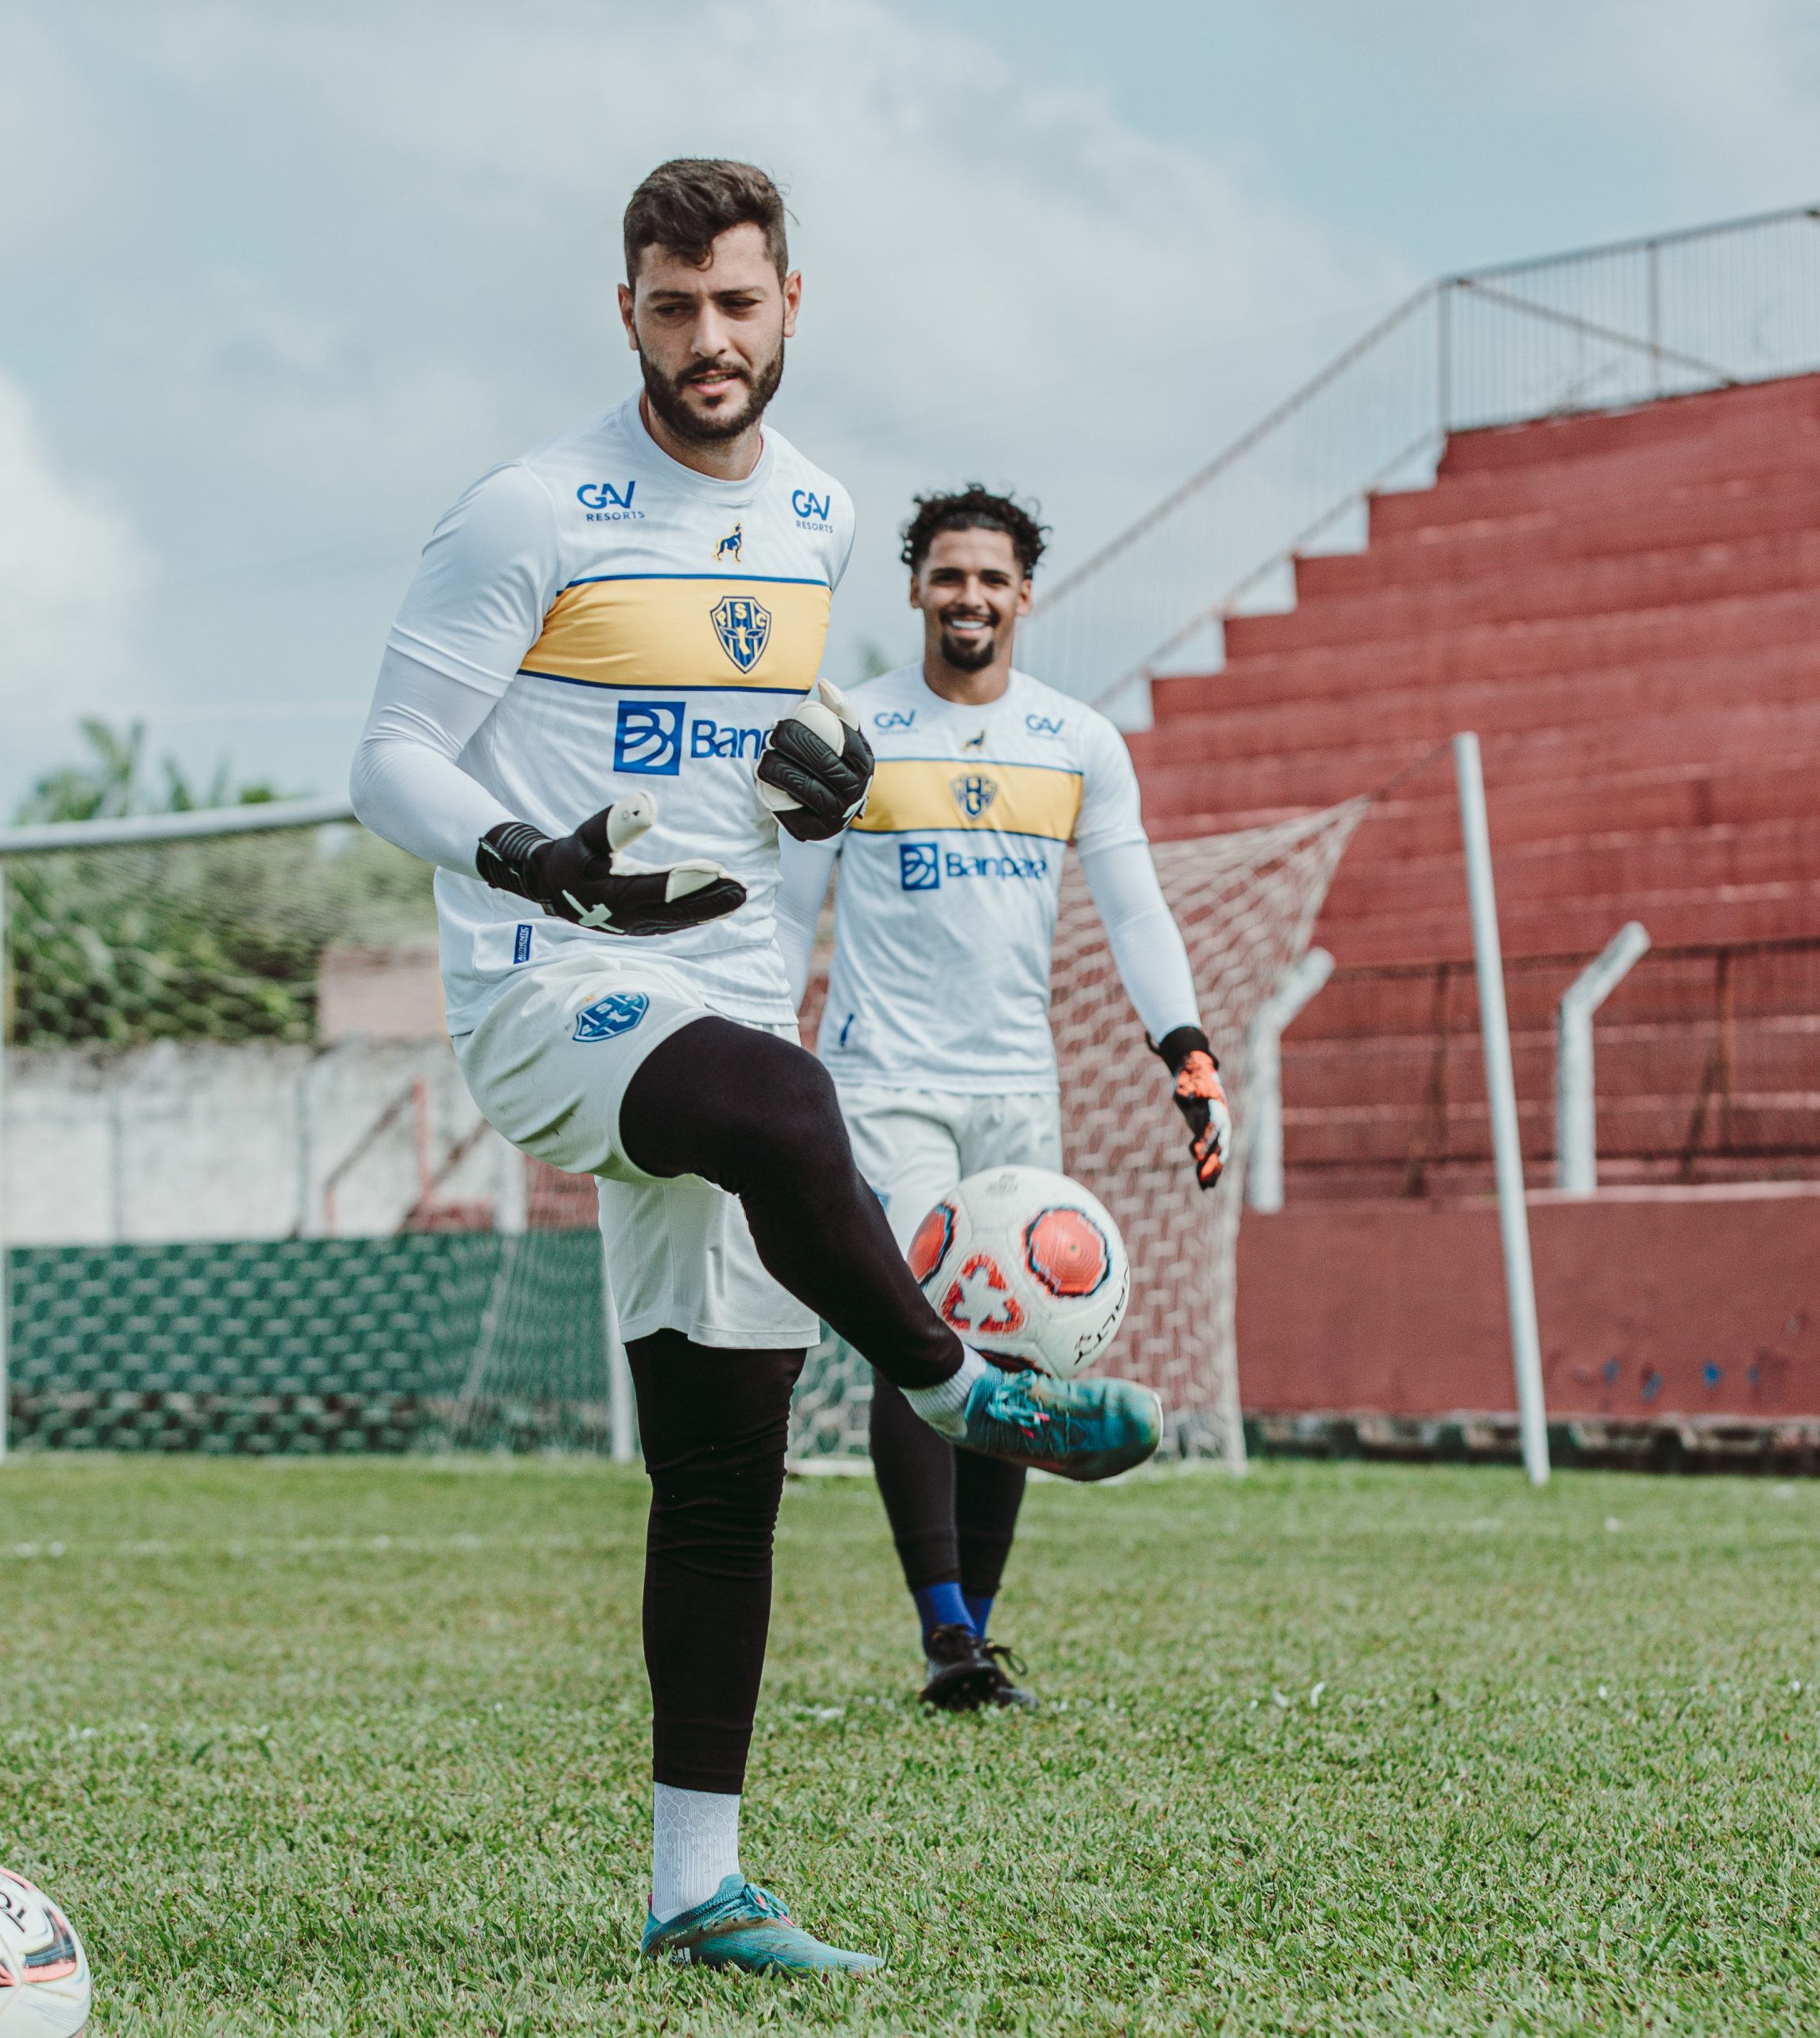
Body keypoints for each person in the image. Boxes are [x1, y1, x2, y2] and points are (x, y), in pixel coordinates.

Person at [350, 166, 1165, 1974]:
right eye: (668, 307)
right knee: (793, 1113)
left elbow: (765, 746)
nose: (705, 341)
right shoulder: (527, 509)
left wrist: (822, 773)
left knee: (717, 1469)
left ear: (793, 299)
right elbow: (390, 753)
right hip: (550, 984)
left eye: (732, 304)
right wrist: (525, 852)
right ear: (621, 309)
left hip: (722, 989)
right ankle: (959, 1385)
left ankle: (693, 1888)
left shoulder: (811, 512)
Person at [775, 485, 1230, 1713]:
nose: (969, 596)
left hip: (1018, 1093)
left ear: (1026, 594)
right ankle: (945, 1637)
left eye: (993, 578)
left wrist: (1183, 1046)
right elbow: (788, 907)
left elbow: (1133, 906)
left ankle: (976, 1634)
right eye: (948, 574)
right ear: (915, 584)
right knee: (925, 1326)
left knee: (1015, 1348)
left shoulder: (1077, 742)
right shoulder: (849, 729)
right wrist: (763, 1045)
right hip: (884, 1086)